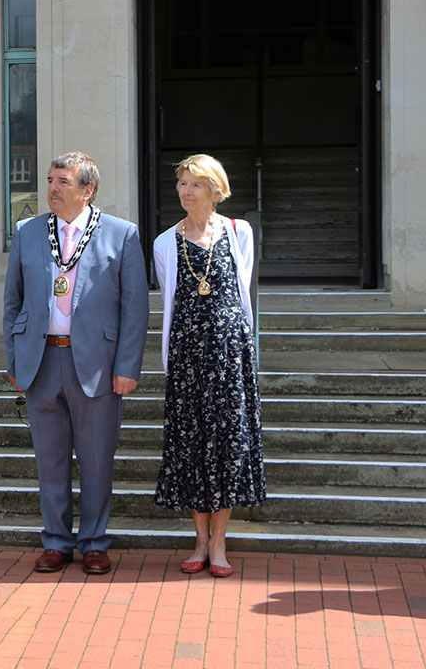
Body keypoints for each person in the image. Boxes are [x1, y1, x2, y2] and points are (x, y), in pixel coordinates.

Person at [3, 151, 150, 575]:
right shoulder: (27, 232)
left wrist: (127, 367)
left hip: (97, 365)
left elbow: (134, 309)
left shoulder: (120, 235)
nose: (52, 188)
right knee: (49, 461)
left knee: (97, 458)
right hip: (41, 360)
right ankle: (56, 542)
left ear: (87, 190)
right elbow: (13, 304)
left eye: (63, 182)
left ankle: (94, 542)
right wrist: (15, 359)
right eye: (50, 180)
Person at [151, 154, 264, 579]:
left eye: (195, 183)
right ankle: (199, 540)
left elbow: (244, 292)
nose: (186, 190)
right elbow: (170, 303)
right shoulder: (166, 242)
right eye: (182, 182)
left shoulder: (239, 232)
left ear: (215, 190)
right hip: (187, 356)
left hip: (230, 354)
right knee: (192, 446)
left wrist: (245, 349)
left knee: (227, 445)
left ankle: (219, 543)